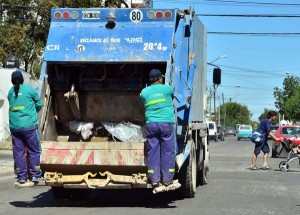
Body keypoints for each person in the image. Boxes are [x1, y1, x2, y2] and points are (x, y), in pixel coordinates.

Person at [140, 69, 181, 193]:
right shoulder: (167, 89)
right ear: (159, 79)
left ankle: (154, 180)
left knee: (153, 152)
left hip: (151, 124)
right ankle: (167, 180)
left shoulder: (144, 92)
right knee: (168, 151)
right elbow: (172, 97)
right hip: (166, 123)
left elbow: (143, 101)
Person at [8, 70, 43, 187]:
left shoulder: (10, 92)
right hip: (29, 126)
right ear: (22, 80)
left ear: (12, 81)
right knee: (34, 151)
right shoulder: (29, 90)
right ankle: (35, 175)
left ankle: (22, 177)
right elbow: (39, 104)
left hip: (15, 127)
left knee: (19, 153)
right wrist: (32, 113)